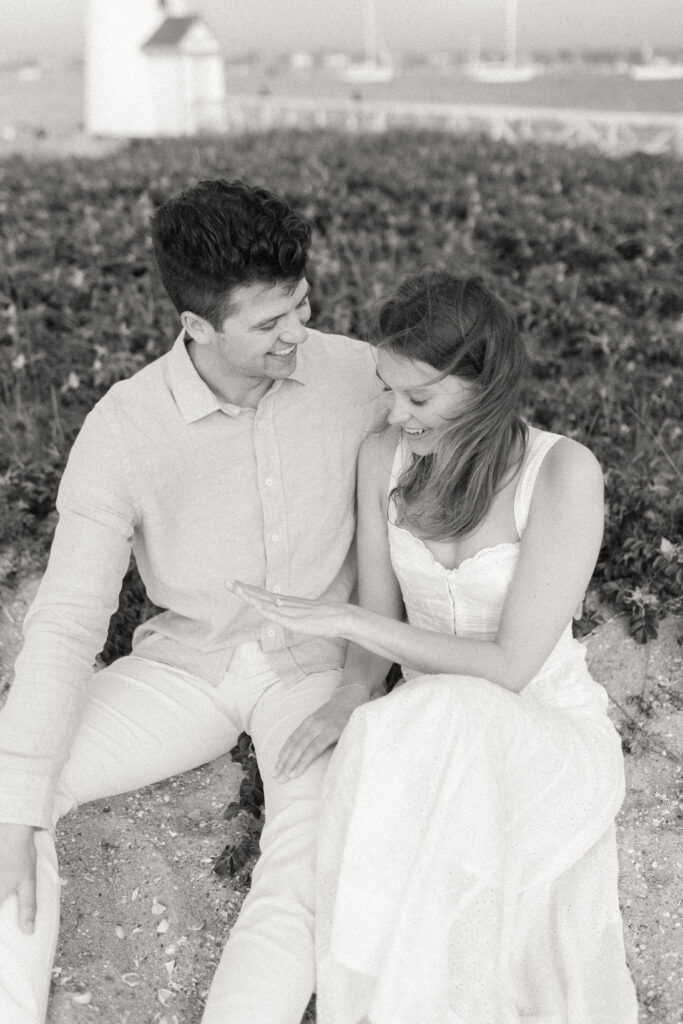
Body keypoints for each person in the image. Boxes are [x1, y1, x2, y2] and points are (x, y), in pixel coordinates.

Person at [0, 178, 383, 1024]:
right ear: (196, 326)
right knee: (6, 796)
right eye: (269, 323)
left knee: (316, 851)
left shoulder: (360, 377)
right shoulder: (124, 426)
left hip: (314, 674)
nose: (297, 335)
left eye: (302, 307)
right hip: (185, 667)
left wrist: (363, 680)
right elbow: (66, 622)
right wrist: (19, 801)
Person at [232, 271, 639, 1024]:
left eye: (417, 398)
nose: (396, 414)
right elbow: (381, 611)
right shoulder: (380, 457)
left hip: (540, 730)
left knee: (441, 714)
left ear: (482, 386)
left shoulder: (561, 472)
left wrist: (348, 624)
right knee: (395, 734)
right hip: (423, 730)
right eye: (387, 390)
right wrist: (350, 693)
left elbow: (511, 667)